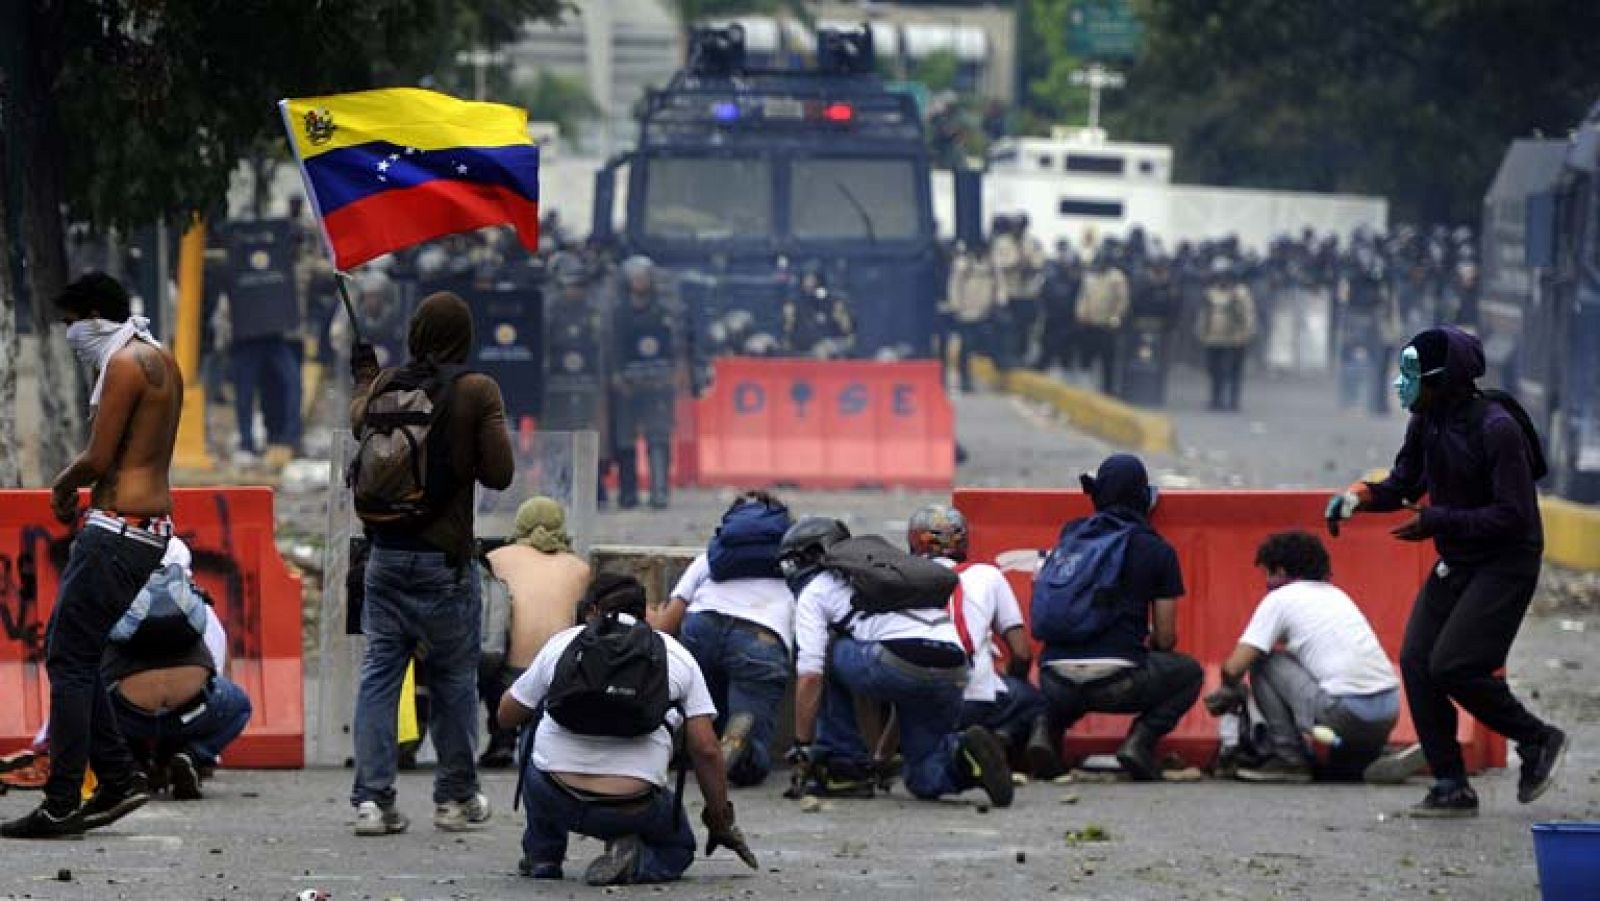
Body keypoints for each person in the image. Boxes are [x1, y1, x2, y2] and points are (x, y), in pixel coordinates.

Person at [1326, 327, 1566, 818]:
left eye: (1414, 377)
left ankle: (1538, 739)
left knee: (1455, 664)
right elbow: (1402, 481)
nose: (1404, 386)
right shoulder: (1427, 420)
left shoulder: (1496, 428)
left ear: (1444, 380)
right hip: (1458, 557)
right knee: (1417, 661)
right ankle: (1451, 785)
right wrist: (1359, 497)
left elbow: (1513, 515)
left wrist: (1436, 519)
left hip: (1505, 560)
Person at [4, 273, 182, 839]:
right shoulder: (160, 358)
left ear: (93, 316)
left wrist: (61, 486)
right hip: (143, 527)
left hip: (118, 529)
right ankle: (116, 778)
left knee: (69, 657)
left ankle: (62, 801)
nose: (69, 335)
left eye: (69, 322)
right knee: (74, 650)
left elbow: (99, 455)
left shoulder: (126, 364)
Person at [347, 291, 515, 836]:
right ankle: (455, 798)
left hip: (384, 559)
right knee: (453, 678)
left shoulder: (384, 386)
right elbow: (500, 474)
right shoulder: (475, 390)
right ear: (464, 338)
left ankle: (372, 803)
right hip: (444, 564)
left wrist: (365, 377)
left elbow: (358, 422)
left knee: (379, 678)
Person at [498, 573, 758, 886]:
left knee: (535, 725)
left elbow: (506, 716)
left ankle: (543, 856)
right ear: (644, 612)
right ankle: (635, 862)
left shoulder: (565, 643)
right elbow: (705, 749)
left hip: (554, 795)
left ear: (591, 609)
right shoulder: (675, 655)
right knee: (678, 849)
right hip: (631, 806)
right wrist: (719, 819)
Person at [782, 517, 1013, 805]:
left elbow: (811, 675)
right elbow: (909, 682)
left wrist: (802, 744)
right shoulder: (887, 567)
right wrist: (881, 757)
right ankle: (964, 758)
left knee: (826, 653)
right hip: (953, 666)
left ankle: (844, 766)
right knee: (921, 777)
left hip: (898, 663)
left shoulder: (816, 588)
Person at [1029, 454, 1203, 782]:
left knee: (1075, 673)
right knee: (1189, 672)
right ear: (1142, 497)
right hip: (1118, 684)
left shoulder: (1071, 536)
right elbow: (1166, 639)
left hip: (1053, 680)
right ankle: (1139, 742)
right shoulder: (1157, 550)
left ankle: (1045, 731)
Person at [1203, 531, 1400, 783]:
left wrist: (1230, 691)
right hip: (1388, 710)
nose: (1266, 582)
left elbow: (1234, 667)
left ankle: (1289, 758)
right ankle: (1370, 752)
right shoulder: (1338, 595)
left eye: (1268, 573)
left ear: (1282, 572)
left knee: (1264, 662)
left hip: (1344, 714)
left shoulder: (1279, 599)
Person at [651, 492, 795, 787]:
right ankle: (741, 753)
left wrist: (650, 616)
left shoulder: (710, 559)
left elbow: (666, 626)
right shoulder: (791, 564)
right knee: (752, 757)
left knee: (702, 705)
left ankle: (695, 745)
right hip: (759, 637)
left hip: (702, 627)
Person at [907, 505, 1055, 777]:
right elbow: (1021, 653)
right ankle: (1000, 738)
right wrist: (1014, 682)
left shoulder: (899, 579)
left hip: (913, 700)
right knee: (1034, 702)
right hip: (974, 700)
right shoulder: (989, 575)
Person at [105, 538, 253, 799]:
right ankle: (193, 755)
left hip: (129, 718)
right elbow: (215, 670)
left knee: (96, 703)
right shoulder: (197, 607)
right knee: (238, 704)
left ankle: (132, 766)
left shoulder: (110, 603)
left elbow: (81, 672)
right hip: (189, 714)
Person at [479, 496, 593, 768]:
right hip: (557, 676)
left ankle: (501, 736)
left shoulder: (496, 559)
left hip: (506, 676)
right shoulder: (580, 569)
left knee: (492, 657)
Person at [610, 256, 679, 510]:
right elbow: (613, 346)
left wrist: (674, 374)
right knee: (626, 440)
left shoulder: (664, 311)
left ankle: (659, 492)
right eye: (635, 277)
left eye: (644, 277)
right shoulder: (620, 312)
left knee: (658, 437)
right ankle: (628, 494)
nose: (640, 282)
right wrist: (616, 375)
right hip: (629, 383)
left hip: (658, 383)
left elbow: (674, 346)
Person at [1195, 259, 1258, 412]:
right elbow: (1204, 315)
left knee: (1234, 372)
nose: (1222, 279)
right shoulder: (1210, 293)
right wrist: (1200, 333)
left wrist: (1247, 334)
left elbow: (1248, 315)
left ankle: (1233, 401)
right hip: (1213, 339)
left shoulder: (1240, 293)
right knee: (1215, 372)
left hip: (1235, 339)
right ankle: (1216, 400)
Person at [945, 241, 1006, 392]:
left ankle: (999, 373)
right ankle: (965, 379)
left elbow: (1000, 284)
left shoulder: (992, 264)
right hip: (966, 313)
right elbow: (954, 286)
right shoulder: (962, 264)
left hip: (986, 312)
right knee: (967, 346)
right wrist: (956, 306)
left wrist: (1000, 301)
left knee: (991, 343)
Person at [1076, 252, 1130, 395]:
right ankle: (1085, 388)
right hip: (1089, 324)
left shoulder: (1117, 278)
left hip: (1107, 325)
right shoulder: (1089, 277)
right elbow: (1083, 297)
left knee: (1108, 362)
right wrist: (1081, 314)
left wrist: (1115, 318)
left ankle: (1108, 390)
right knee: (1085, 359)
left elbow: (1122, 301)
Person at [781, 261, 856, 358]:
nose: (809, 283)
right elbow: (786, 336)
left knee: (822, 351)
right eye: (806, 279)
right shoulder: (793, 304)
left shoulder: (834, 303)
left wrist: (833, 346)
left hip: (829, 353)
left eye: (812, 279)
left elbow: (850, 338)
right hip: (800, 354)